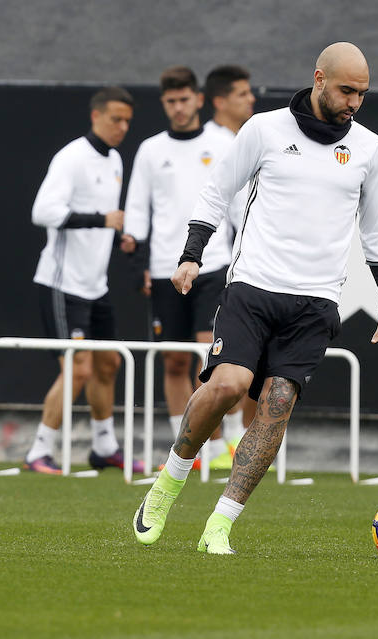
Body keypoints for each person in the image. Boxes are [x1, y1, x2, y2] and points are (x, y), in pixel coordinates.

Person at [133, 42, 378, 554]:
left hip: (318, 300)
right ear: (319, 79)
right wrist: (192, 253)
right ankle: (169, 481)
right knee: (229, 385)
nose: (355, 103)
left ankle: (220, 524)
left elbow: (377, 233)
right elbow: (217, 192)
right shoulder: (264, 129)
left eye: (363, 94)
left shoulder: (370, 148)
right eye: (347, 90)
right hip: (254, 285)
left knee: (276, 403)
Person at [120, 66, 241, 470]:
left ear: (199, 99)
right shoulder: (152, 149)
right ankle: (183, 448)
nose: (178, 107)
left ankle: (217, 444)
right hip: (163, 268)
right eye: (170, 101)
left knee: (210, 356)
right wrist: (139, 261)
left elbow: (240, 202)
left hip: (214, 263)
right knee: (173, 360)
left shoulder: (223, 142)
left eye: (184, 99)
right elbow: (137, 207)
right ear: (164, 104)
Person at [25, 87, 144, 475]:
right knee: (78, 369)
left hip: (97, 287)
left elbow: (105, 220)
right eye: (115, 119)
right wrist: (101, 219)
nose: (122, 127)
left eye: (127, 120)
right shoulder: (71, 157)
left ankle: (104, 447)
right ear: (95, 117)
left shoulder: (114, 160)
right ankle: (38, 451)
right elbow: (42, 211)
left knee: (109, 363)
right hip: (62, 285)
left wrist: (119, 235)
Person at [203, 64, 258, 446]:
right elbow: (230, 208)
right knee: (212, 359)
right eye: (242, 93)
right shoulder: (216, 145)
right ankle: (211, 444)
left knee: (242, 360)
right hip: (214, 264)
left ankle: (233, 439)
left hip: (234, 264)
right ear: (220, 101)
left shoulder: (246, 138)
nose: (252, 99)